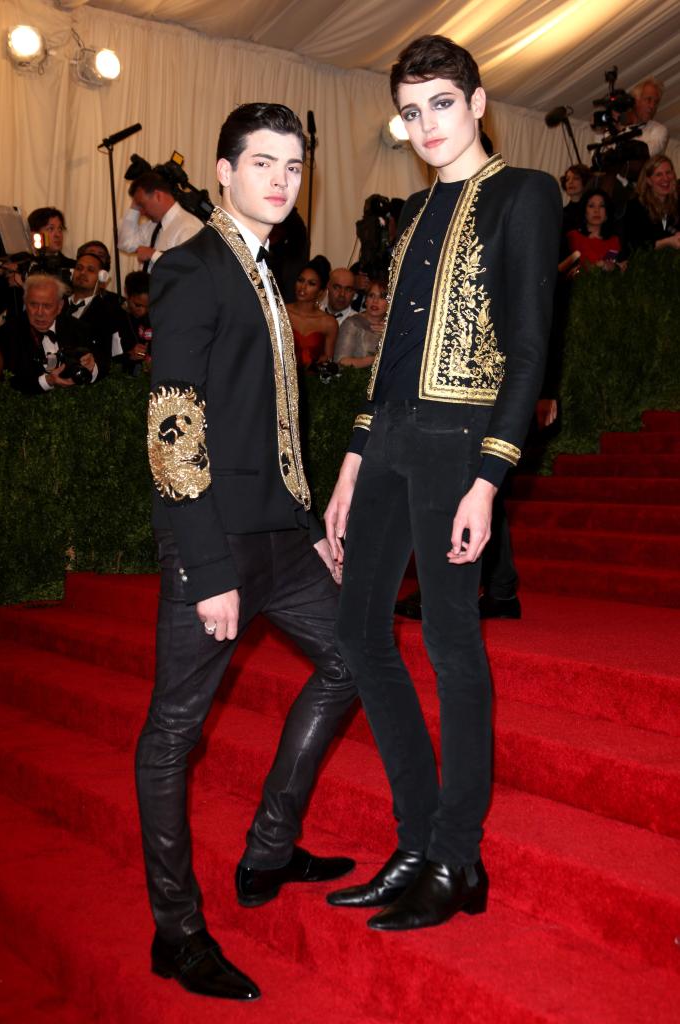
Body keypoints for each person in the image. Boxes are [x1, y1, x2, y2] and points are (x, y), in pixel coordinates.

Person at [325, 35, 561, 931]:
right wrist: (350, 464)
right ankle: (418, 837)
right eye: (412, 109)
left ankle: (458, 859)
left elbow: (530, 348)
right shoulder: (414, 215)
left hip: (458, 441)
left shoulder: (524, 194)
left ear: (478, 101)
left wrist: (489, 479)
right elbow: (386, 359)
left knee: (453, 646)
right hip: (387, 440)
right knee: (358, 629)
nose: (426, 125)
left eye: (442, 105)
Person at [138, 102, 357, 1002]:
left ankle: (267, 850)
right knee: (174, 733)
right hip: (216, 542)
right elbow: (172, 427)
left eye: (294, 166)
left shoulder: (264, 273)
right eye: (262, 162)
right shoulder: (192, 267)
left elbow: (269, 425)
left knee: (355, 659)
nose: (280, 178)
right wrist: (210, 569)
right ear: (223, 174)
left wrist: (312, 530)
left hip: (282, 534)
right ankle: (175, 928)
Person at [0, 273, 102, 394]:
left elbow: (104, 363)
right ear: (25, 302)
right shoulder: (7, 334)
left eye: (47, 306)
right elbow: (9, 383)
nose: (39, 312)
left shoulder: (79, 329)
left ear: (60, 306)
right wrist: (47, 381)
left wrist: (92, 367)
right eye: (33, 304)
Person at [118, 171, 202, 271]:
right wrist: (134, 206)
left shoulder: (188, 226)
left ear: (158, 196)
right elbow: (126, 243)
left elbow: (191, 268)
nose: (142, 212)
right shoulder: (152, 226)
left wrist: (153, 255)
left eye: (143, 205)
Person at [286, 257, 337, 367]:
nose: (303, 287)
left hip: (312, 381)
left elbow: (328, 362)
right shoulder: (282, 312)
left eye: (311, 283)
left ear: (321, 292)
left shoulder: (329, 323)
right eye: (300, 280)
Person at [623, 155, 680, 252]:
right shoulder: (636, 206)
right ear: (649, 180)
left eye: (668, 172)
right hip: (646, 264)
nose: (665, 178)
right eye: (659, 174)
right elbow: (634, 246)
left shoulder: (677, 203)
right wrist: (667, 242)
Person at [333, 278, 387, 368]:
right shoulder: (352, 323)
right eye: (371, 295)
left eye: (382, 297)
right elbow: (341, 362)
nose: (375, 301)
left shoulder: (393, 327)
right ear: (366, 301)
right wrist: (376, 359)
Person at [566, 188, 623, 271]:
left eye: (602, 206)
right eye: (591, 206)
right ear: (584, 212)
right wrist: (598, 265)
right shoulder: (573, 237)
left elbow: (609, 269)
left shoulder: (613, 241)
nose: (597, 210)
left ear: (607, 214)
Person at [627, 77, 668, 158]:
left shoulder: (659, 130)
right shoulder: (617, 127)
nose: (652, 106)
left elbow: (644, 155)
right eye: (648, 100)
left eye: (656, 102)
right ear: (635, 101)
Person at [560, 163, 591, 236]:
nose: (570, 182)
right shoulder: (561, 213)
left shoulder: (591, 211)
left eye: (576, 178)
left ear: (585, 182)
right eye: (567, 179)